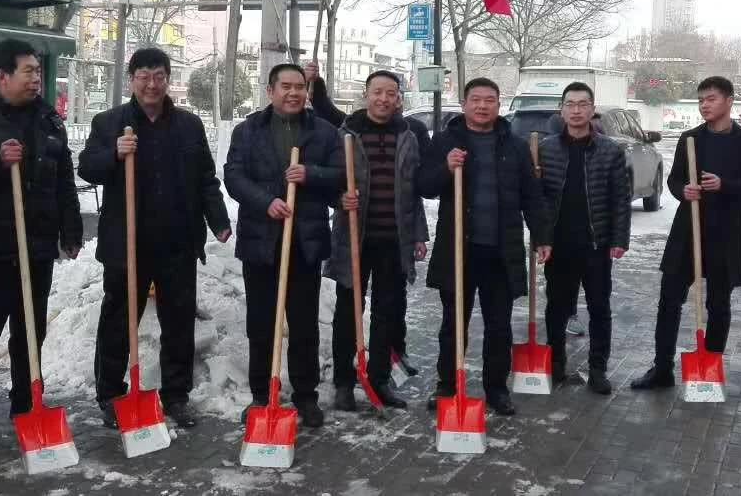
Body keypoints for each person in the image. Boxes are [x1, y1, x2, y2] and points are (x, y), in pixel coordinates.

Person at [79, 48, 232, 428]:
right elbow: (87, 168)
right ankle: (111, 394)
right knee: (118, 321)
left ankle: (176, 395)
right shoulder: (109, 122)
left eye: (159, 76)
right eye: (144, 76)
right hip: (126, 243)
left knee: (178, 322)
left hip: (177, 240)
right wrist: (114, 154)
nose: (152, 84)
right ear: (132, 79)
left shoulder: (188, 126)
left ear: (167, 79)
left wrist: (218, 220)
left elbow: (205, 179)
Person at [0, 40, 82, 440]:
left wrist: (71, 228)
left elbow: (63, 178)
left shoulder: (48, 119)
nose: (36, 78)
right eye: (28, 71)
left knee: (30, 330)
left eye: (38, 71)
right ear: (2, 76)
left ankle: (26, 402)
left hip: (37, 241)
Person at [418, 77, 550, 416]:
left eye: (489, 100)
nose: (482, 106)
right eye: (475, 99)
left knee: (499, 325)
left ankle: (496, 388)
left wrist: (541, 236)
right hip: (458, 250)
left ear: (498, 105)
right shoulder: (446, 141)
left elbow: (532, 196)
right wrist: (446, 168)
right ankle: (447, 384)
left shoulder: (515, 146)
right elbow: (424, 185)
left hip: (501, 251)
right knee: (453, 324)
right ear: (464, 104)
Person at [631, 76, 741, 390]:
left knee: (718, 306)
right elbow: (674, 180)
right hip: (687, 233)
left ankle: (709, 368)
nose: (704, 105)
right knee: (669, 300)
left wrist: (725, 185)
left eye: (711, 99)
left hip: (726, 235)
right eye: (701, 100)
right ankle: (662, 369)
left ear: (729, 101)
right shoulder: (690, 139)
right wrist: (684, 191)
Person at [225, 63, 343, 428]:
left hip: (305, 242)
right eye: (285, 86)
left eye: (299, 87)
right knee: (261, 323)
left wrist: (311, 174)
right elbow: (234, 176)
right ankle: (262, 394)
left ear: (307, 90)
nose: (293, 93)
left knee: (304, 323)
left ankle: (306, 395)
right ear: (270, 90)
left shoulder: (323, 132)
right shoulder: (248, 130)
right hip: (261, 241)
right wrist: (266, 202)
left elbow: (341, 175)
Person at [305, 60, 428, 376]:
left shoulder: (410, 135)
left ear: (398, 98)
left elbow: (414, 191)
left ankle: (380, 376)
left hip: (394, 240)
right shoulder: (345, 134)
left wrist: (418, 234)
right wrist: (338, 199)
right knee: (348, 310)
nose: (383, 99)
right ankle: (344, 380)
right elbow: (330, 180)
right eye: (377, 92)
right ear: (366, 95)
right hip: (354, 238)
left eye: (390, 93)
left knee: (387, 311)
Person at [537, 82, 632, 394]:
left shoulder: (610, 150)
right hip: (559, 244)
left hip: (596, 244)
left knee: (599, 307)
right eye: (570, 104)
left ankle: (598, 368)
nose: (576, 110)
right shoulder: (546, 149)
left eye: (582, 104)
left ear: (592, 109)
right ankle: (555, 363)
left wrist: (619, 238)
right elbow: (538, 200)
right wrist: (540, 238)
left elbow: (620, 198)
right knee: (556, 307)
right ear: (562, 110)